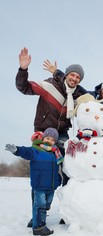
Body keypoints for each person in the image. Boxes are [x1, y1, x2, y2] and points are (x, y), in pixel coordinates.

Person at [16, 47, 87, 226]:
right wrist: (23, 69)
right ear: (66, 75)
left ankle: (67, 211)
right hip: (43, 133)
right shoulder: (50, 85)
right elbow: (24, 87)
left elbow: (92, 98)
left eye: (78, 78)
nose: (74, 79)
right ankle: (37, 213)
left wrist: (58, 71)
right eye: (72, 75)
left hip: (62, 135)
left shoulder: (76, 95)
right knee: (41, 172)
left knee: (67, 171)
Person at [5, 128, 62, 236]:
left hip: (51, 186)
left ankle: (35, 219)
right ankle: (39, 227)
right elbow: (26, 152)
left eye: (52, 140)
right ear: (43, 138)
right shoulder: (36, 150)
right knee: (39, 205)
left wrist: (58, 180)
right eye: (48, 138)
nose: (49, 141)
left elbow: (58, 168)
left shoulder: (55, 153)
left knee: (46, 206)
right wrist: (16, 150)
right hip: (40, 185)